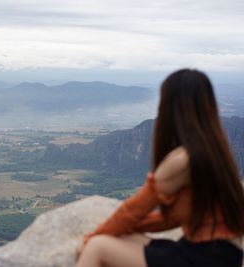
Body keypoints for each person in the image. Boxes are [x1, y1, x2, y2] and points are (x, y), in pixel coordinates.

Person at [75, 69, 244, 267]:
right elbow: (171, 218)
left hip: (203, 258)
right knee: (124, 238)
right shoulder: (216, 151)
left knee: (97, 246)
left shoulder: (182, 160)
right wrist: (129, 229)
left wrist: (89, 240)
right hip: (222, 256)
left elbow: (132, 210)